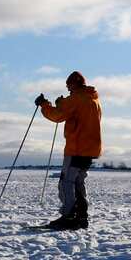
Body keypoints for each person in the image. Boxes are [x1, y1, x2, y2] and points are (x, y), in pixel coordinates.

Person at [36, 71, 102, 230]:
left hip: (76, 148)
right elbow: (75, 114)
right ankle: (81, 216)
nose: (68, 90)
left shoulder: (76, 98)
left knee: (66, 183)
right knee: (78, 182)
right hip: (90, 149)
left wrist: (44, 104)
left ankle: (69, 216)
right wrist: (63, 103)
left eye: (69, 86)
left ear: (75, 84)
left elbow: (57, 116)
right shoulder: (93, 99)